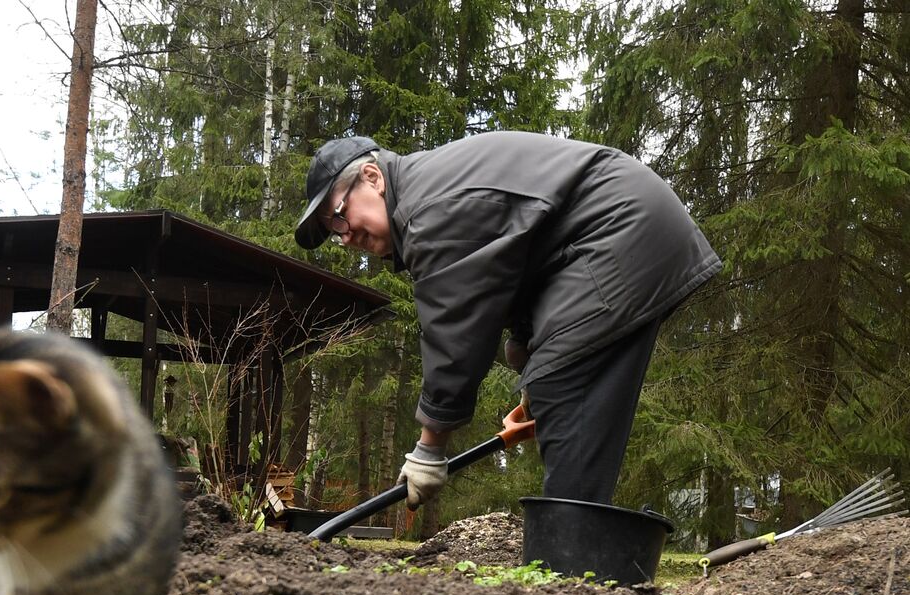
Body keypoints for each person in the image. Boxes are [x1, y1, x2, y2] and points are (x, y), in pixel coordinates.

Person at [295, 132, 720, 510]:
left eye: (339, 214)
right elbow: (518, 272)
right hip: (616, 233)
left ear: (372, 177)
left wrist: (429, 448)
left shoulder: (428, 211)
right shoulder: (431, 196)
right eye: (334, 232)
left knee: (562, 381)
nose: (345, 235)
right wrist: (527, 357)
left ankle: (570, 558)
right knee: (553, 380)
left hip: (621, 228)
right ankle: (576, 552)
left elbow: (455, 336)